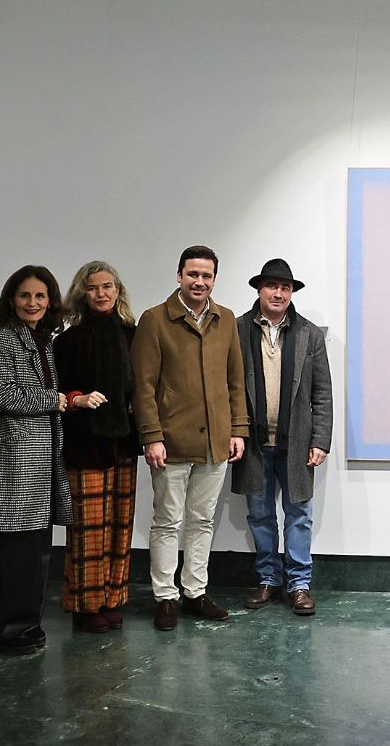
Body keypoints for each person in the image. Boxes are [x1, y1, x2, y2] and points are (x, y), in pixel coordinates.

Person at [131, 245, 249, 631]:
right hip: (171, 442)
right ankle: (166, 597)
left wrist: (237, 429)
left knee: (202, 521)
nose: (200, 282)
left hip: (215, 442)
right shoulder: (154, 320)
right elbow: (144, 386)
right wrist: (151, 436)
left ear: (214, 279)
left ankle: (195, 592)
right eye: (193, 274)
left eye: (207, 276)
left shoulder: (226, 319)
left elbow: (235, 381)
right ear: (179, 275)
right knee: (167, 521)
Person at [0, 265, 72, 655]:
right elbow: (1, 395)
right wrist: (57, 401)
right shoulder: (3, 340)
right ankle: (4, 632)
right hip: (13, 462)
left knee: (35, 553)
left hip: (37, 460)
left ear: (50, 301)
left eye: (40, 296)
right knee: (15, 554)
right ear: (10, 300)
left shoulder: (42, 340)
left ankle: (26, 627)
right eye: (24, 296)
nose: (32, 303)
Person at [232, 259, 334, 617]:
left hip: (297, 444)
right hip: (253, 444)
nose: (278, 293)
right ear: (259, 290)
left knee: (299, 515)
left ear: (291, 293)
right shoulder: (238, 330)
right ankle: (267, 580)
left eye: (285, 288)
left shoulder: (309, 334)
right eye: (272, 286)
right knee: (259, 516)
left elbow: (322, 393)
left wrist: (320, 440)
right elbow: (229, 387)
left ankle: (299, 585)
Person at [54, 261, 140, 634]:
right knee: (88, 530)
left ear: (118, 290)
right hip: (85, 443)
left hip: (123, 443)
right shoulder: (68, 340)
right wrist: (77, 398)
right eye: (93, 288)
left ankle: (112, 598)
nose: (101, 293)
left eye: (107, 286)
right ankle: (86, 605)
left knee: (120, 525)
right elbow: (57, 390)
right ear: (81, 294)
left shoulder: (133, 336)